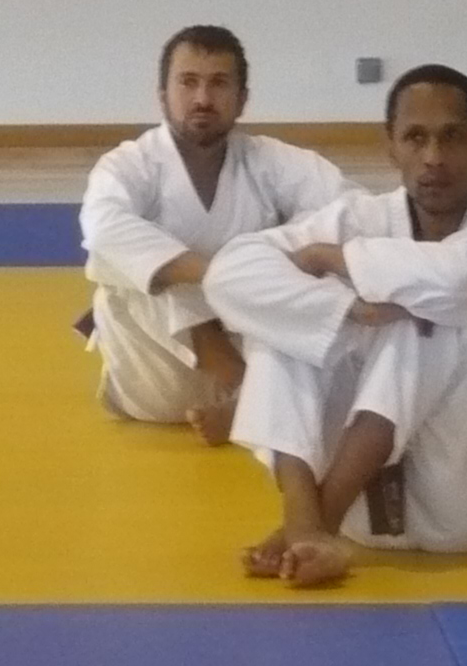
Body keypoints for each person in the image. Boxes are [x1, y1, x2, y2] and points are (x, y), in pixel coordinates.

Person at [203, 64, 467, 588]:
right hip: (368, 519)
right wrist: (348, 309)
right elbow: (229, 272)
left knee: (436, 311)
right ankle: (305, 519)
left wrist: (332, 258)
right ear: (390, 146)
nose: (433, 157)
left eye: (451, 137)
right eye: (415, 138)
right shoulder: (363, 217)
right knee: (283, 311)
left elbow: (455, 277)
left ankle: (313, 523)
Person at [79, 26, 347, 443]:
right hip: (156, 378)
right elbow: (102, 228)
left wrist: (291, 257)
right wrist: (227, 275)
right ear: (162, 95)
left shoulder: (269, 161)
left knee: (335, 256)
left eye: (219, 83)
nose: (202, 98)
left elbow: (350, 209)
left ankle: (250, 400)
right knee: (123, 263)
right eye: (188, 82)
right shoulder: (129, 165)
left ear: (242, 99)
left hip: (260, 353)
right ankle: (248, 392)